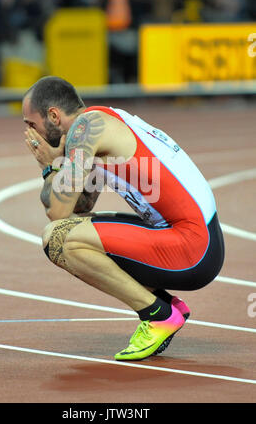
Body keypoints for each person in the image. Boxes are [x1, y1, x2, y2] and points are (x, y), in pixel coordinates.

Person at [22, 76, 225, 361]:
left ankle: (157, 315)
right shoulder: (96, 126)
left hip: (193, 247)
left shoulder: (85, 128)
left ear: (53, 115)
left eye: (31, 124)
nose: (30, 134)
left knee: (56, 238)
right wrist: (57, 164)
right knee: (70, 230)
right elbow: (75, 208)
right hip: (197, 239)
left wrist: (47, 165)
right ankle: (167, 305)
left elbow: (57, 213)